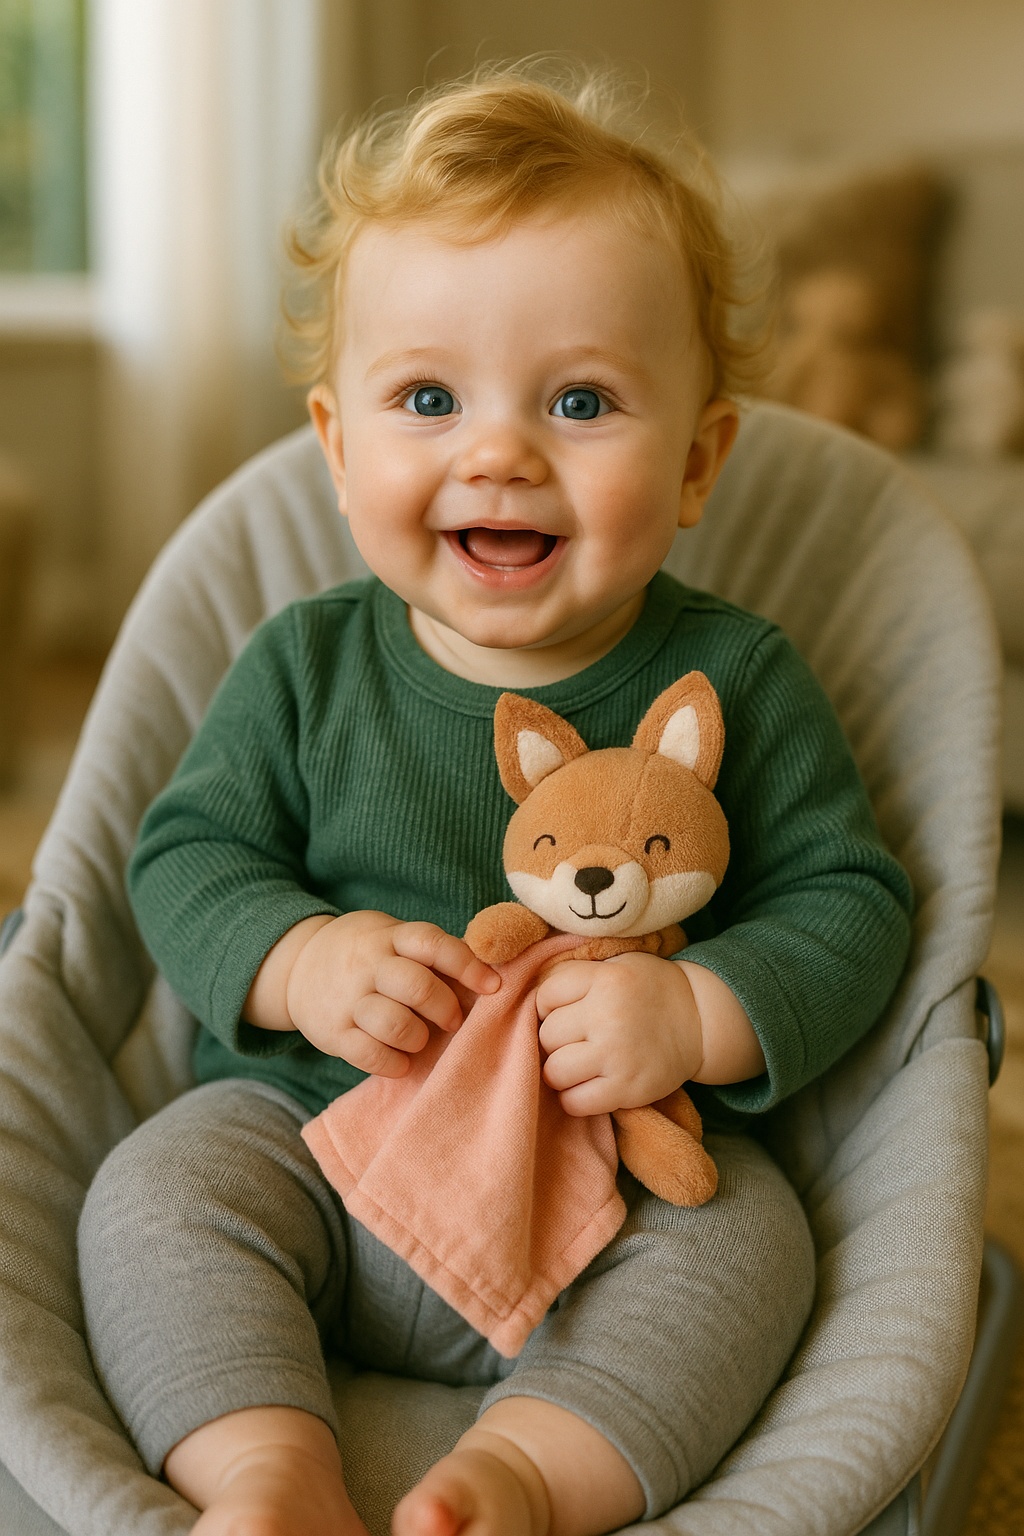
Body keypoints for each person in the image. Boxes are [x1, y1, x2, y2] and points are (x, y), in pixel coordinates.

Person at [78, 67, 913, 1536]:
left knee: (756, 1245)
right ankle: (267, 1467)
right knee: (153, 1194)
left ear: (698, 460)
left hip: (614, 1182)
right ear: (340, 448)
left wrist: (697, 1012)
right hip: (319, 1146)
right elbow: (187, 856)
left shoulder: (737, 678)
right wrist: (300, 961)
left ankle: (524, 1472)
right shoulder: (306, 666)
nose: (500, 453)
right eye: (428, 399)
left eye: (580, 401)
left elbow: (849, 905)